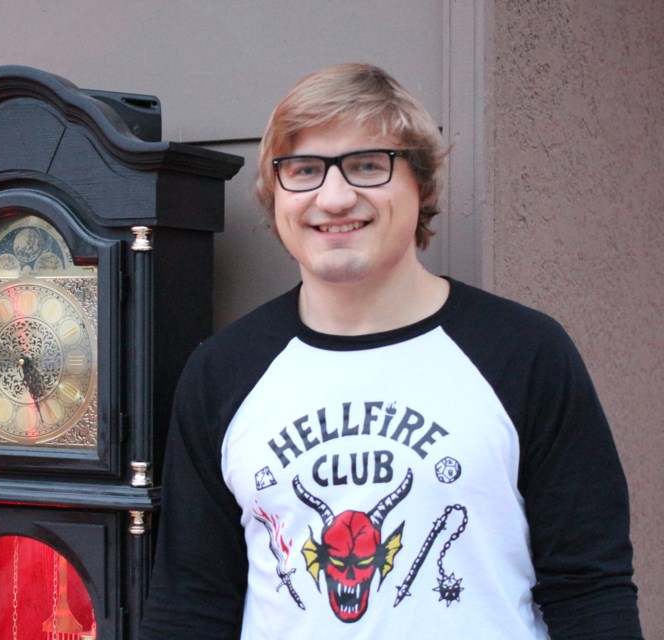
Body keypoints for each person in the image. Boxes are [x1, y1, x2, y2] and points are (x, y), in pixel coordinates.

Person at [139, 63, 642, 639]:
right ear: (275, 195)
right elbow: (191, 605)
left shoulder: (524, 352)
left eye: (367, 166)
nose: (334, 197)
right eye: (303, 170)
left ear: (421, 187)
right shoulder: (223, 371)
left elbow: (588, 590)